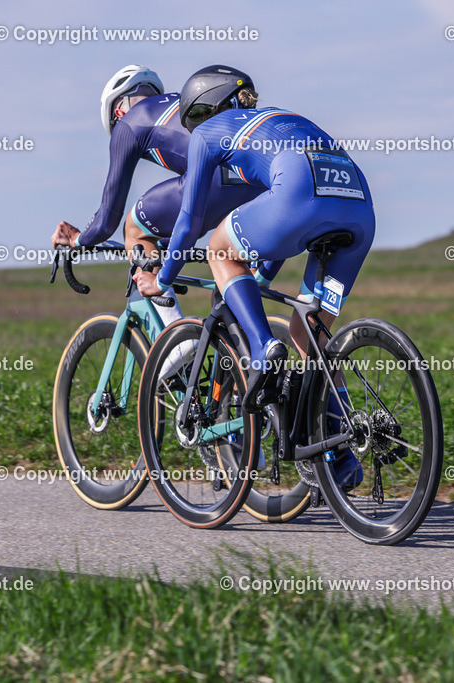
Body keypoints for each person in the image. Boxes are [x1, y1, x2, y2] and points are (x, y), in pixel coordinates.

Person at [132, 65, 375, 489]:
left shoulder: (210, 133)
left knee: (218, 250)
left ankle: (263, 347)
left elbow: (188, 222)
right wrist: (256, 277)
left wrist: (164, 279)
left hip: (302, 191)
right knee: (311, 337)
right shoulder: (280, 117)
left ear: (202, 110)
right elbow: (274, 240)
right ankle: (339, 454)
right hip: (357, 205)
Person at [51, 64, 261, 322]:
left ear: (118, 110)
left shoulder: (128, 123)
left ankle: (176, 338)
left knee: (134, 228)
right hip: (255, 180)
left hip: (213, 180)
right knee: (225, 265)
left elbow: (107, 220)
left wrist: (78, 239)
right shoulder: (185, 102)